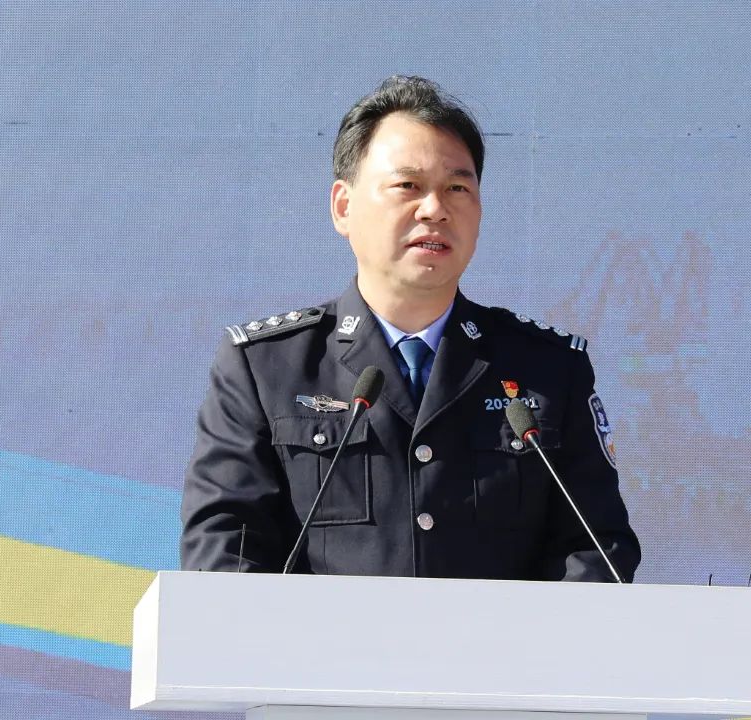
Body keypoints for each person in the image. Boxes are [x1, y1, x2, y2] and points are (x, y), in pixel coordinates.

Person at [180, 76, 640, 582]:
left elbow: (595, 548)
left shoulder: (548, 369)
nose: (435, 209)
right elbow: (225, 548)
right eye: (408, 186)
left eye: (457, 188)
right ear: (343, 206)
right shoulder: (265, 367)